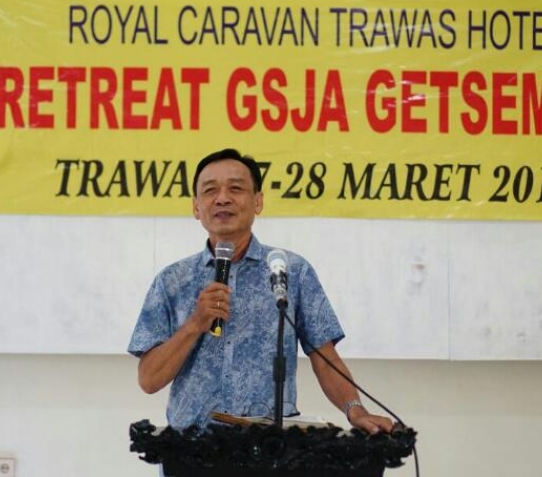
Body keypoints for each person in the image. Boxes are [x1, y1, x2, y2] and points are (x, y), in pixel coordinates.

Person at [127, 148, 394, 435]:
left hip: (268, 445)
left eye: (236, 188)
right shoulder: (172, 281)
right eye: (210, 190)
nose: (222, 198)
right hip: (192, 447)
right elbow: (149, 380)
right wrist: (195, 324)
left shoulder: (291, 271)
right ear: (196, 207)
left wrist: (356, 410)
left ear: (258, 201)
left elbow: (325, 358)